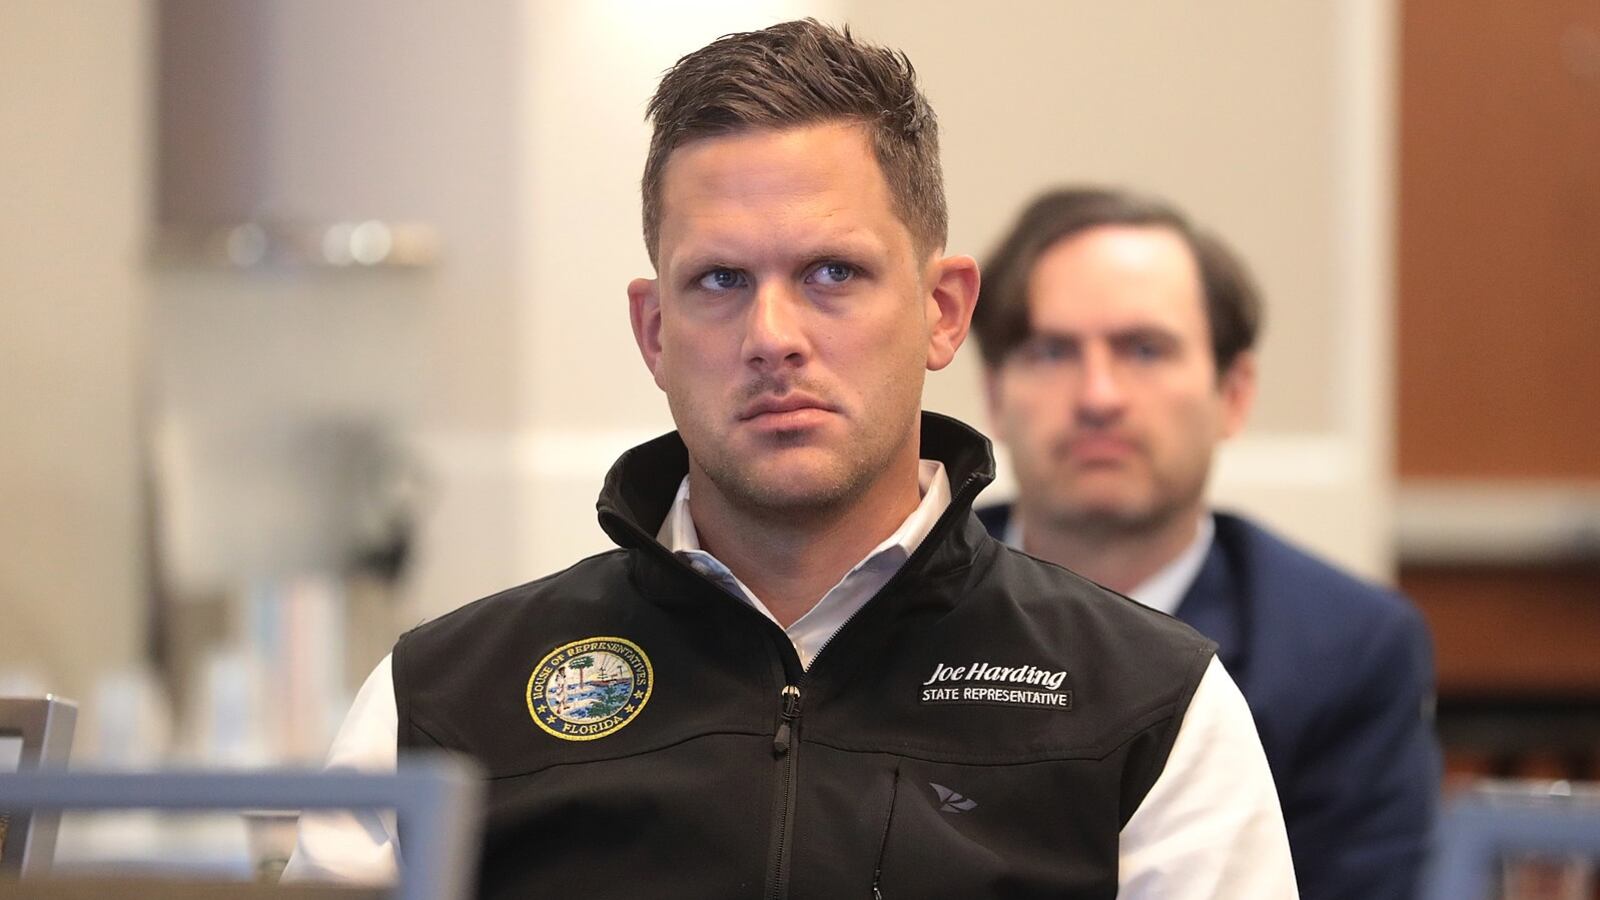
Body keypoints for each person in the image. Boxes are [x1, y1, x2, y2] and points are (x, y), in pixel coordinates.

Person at [287, 23, 1296, 897]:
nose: (772, 336)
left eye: (831, 273)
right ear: (654, 332)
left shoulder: (1151, 710)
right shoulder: (439, 707)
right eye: (721, 280)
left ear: (942, 311)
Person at [972, 187, 1440, 900]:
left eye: (1144, 349)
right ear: (995, 395)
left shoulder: (1348, 650)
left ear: (1235, 393)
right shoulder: (897, 594)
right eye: (1053, 351)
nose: (1099, 395)